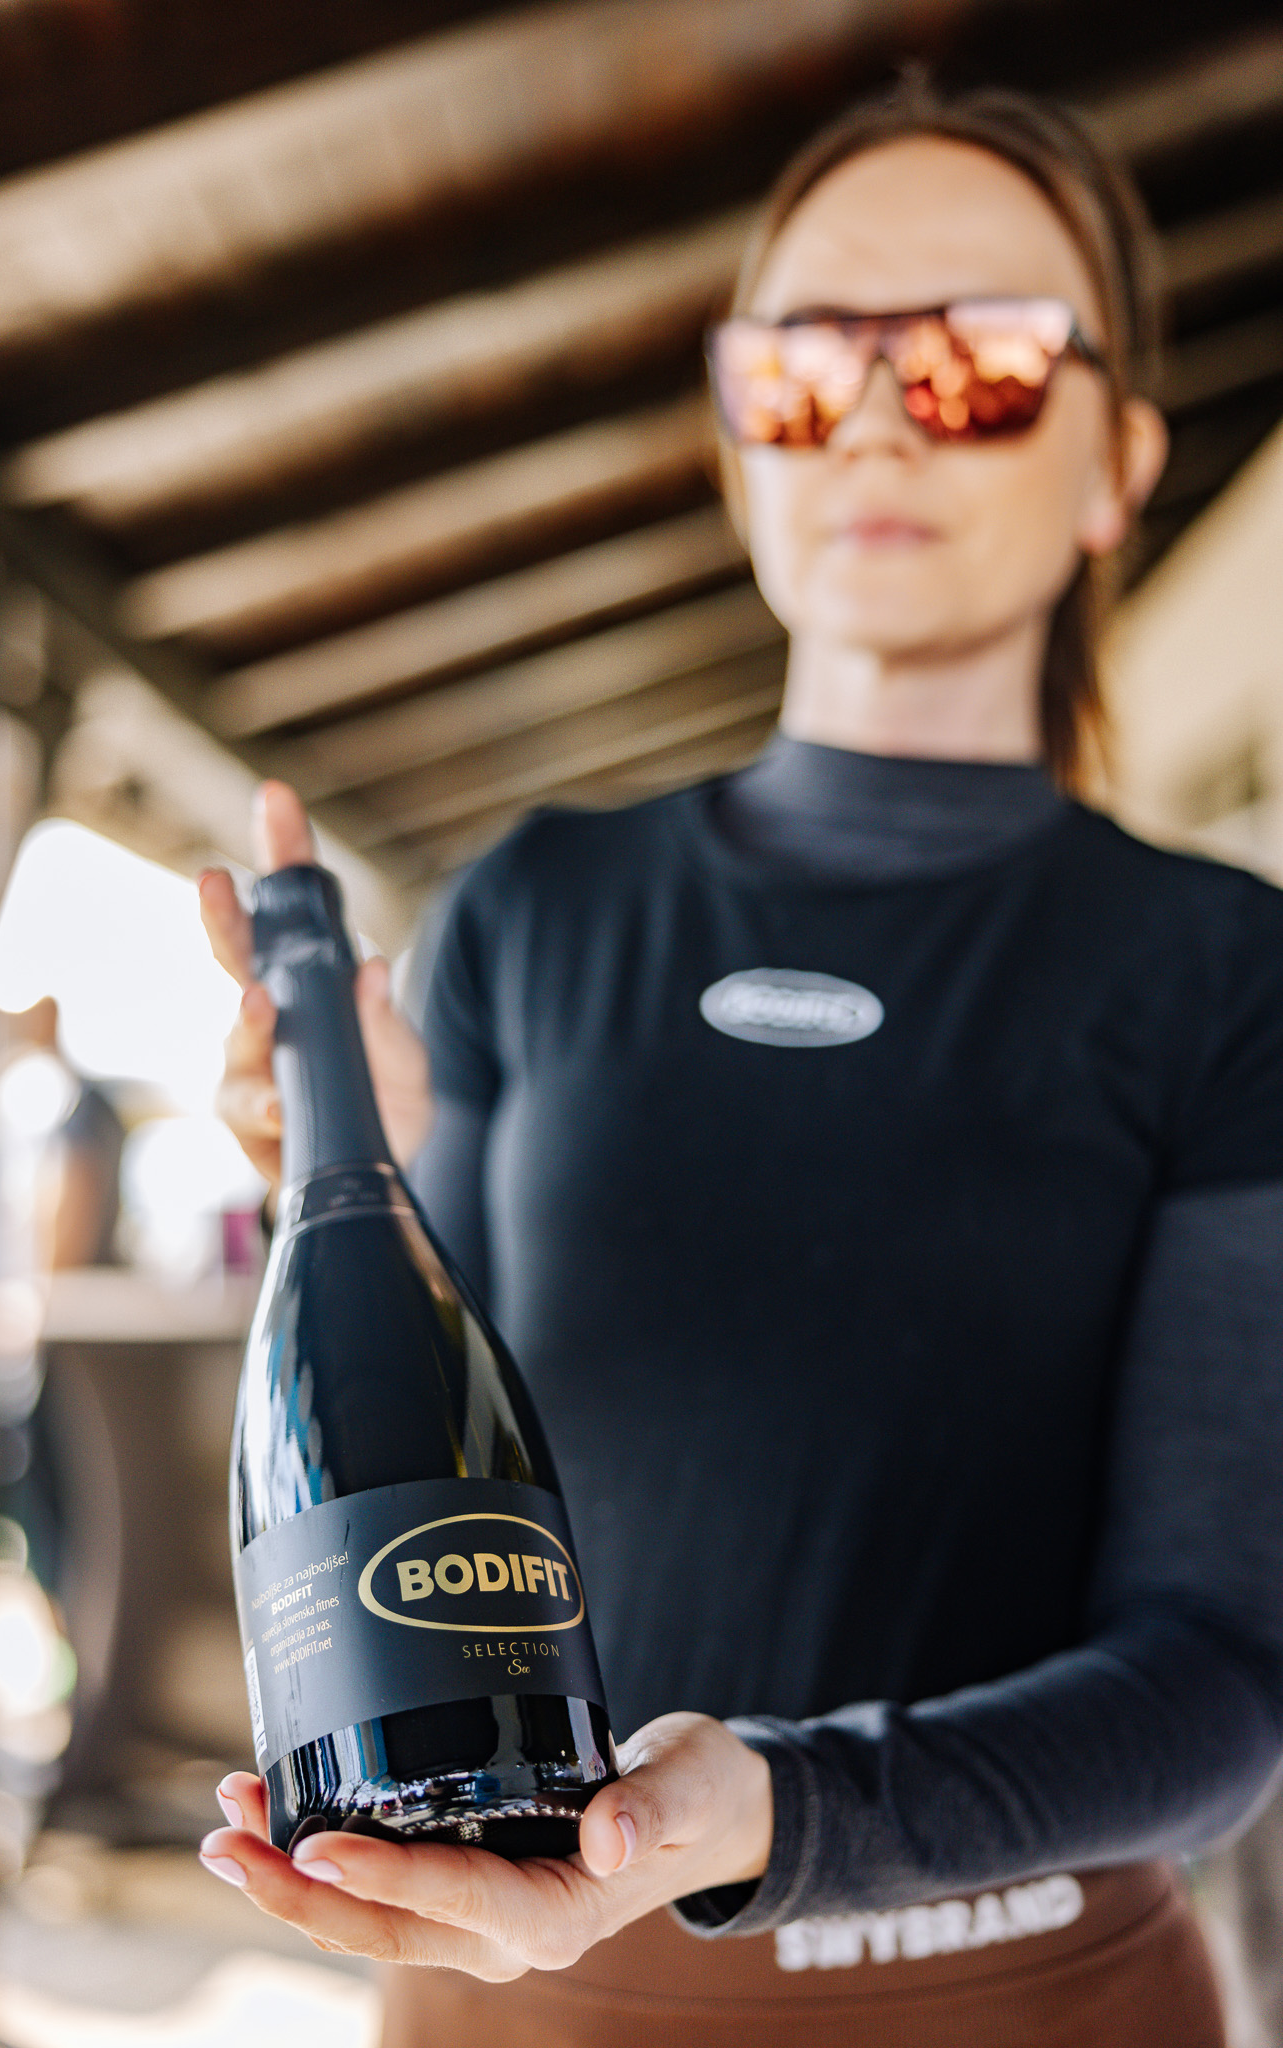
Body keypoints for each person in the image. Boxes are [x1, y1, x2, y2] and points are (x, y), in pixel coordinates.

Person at [192, 79, 1283, 2047]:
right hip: (524, 1990)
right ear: (732, 434)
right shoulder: (533, 906)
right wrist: (359, 1173)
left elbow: (1218, 1674)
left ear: (1116, 460)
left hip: (1024, 1993)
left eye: (969, 362)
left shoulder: (1220, 969)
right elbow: (447, 1523)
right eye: (799, 367)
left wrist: (775, 1810)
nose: (871, 421)